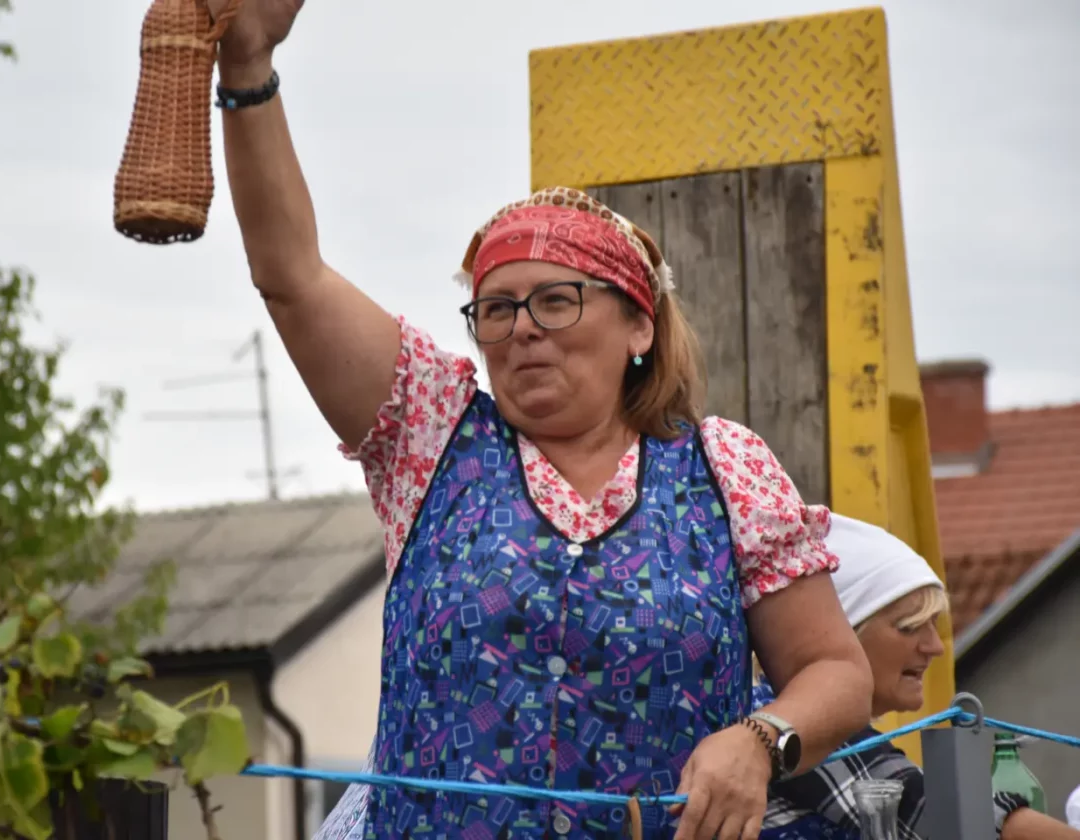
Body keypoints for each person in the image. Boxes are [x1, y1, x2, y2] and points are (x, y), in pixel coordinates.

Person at [202, 2, 874, 838]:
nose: (522, 328)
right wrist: (247, 70)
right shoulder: (430, 436)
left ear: (639, 327)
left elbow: (835, 670)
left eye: (557, 301)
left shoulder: (722, 468)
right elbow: (292, 276)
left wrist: (760, 739)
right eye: (496, 308)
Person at [755, 513, 1080, 839]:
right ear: (841, 637)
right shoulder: (792, 722)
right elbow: (934, 817)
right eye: (909, 627)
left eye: (934, 626)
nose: (935, 647)